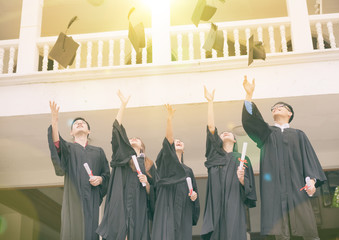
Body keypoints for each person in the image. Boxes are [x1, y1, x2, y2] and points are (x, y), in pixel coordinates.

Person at [241, 75, 327, 240]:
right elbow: (251, 121)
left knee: (306, 229)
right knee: (280, 232)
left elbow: (310, 161)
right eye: (273, 108)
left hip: (297, 188)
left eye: (280, 107)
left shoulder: (299, 135)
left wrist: (312, 183)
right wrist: (248, 95)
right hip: (275, 190)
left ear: (290, 113)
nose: (275, 108)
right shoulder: (267, 134)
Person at [96, 90, 158, 240]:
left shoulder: (149, 164)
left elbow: (156, 190)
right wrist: (122, 106)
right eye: (131, 138)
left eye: (137, 139)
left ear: (142, 147)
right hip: (120, 202)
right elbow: (116, 132)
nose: (134, 139)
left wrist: (147, 185)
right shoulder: (122, 158)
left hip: (139, 206)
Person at [47, 101, 110, 240]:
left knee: (89, 231)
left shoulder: (98, 152)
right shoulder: (68, 149)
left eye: (83, 123)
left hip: (91, 200)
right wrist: (54, 121)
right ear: (71, 132)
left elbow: (107, 175)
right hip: (73, 199)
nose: (79, 123)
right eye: (75, 123)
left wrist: (100, 179)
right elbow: (57, 145)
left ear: (89, 131)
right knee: (72, 230)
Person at [201, 87, 257, 240]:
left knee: (232, 232)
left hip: (234, 200)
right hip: (215, 202)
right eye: (222, 133)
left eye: (229, 133)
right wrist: (210, 102)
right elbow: (211, 128)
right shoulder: (214, 155)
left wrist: (241, 179)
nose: (225, 132)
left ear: (234, 140)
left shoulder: (242, 159)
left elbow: (249, 190)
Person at [151, 104, 200, 240]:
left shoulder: (188, 171)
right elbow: (168, 140)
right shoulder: (166, 162)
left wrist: (194, 196)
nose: (178, 142)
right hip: (166, 204)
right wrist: (169, 119)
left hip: (183, 207)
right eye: (175, 141)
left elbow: (193, 192)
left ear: (184, 150)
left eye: (181, 142)